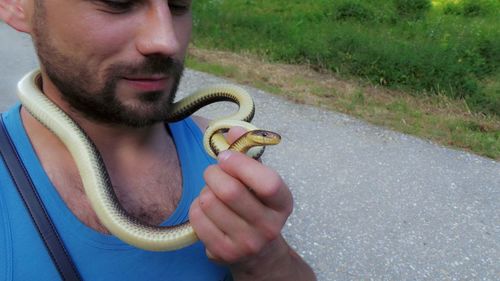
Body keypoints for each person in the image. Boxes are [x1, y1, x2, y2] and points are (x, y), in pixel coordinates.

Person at [0, 0, 316, 280]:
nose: (167, 41)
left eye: (178, 5)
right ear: (16, 5)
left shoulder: (224, 152)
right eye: (118, 2)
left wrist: (265, 262)